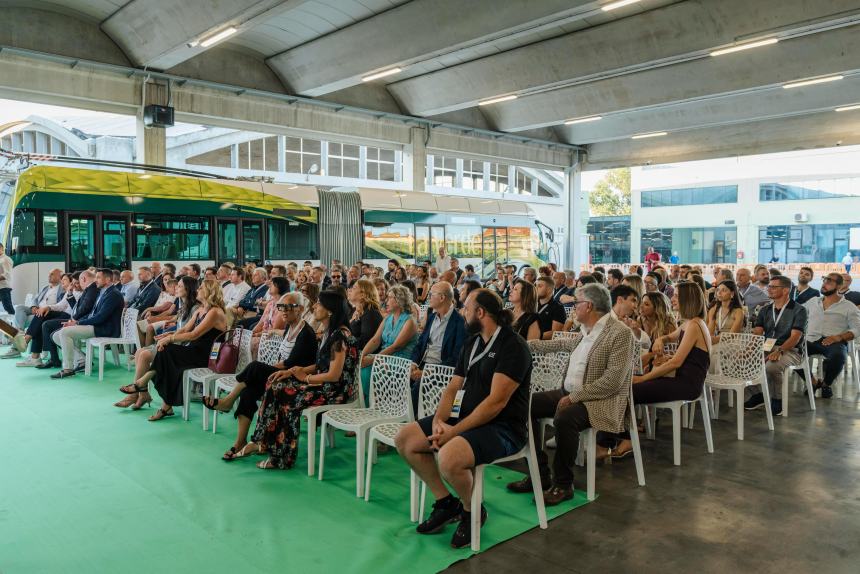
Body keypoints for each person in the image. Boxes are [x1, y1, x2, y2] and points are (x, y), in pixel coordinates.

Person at [395, 289, 532, 547]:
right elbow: (453, 387)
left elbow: (496, 403)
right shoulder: (472, 342)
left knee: (449, 458)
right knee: (406, 439)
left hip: (503, 428)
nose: (462, 312)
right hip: (465, 418)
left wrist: (453, 433)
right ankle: (447, 503)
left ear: (481, 313)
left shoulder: (513, 346)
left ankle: (472, 510)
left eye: (467, 308)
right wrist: (439, 420)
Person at [508, 283, 633, 501]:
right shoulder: (585, 330)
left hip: (599, 400)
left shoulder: (620, 333)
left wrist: (574, 397)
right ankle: (540, 472)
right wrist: (520, 344)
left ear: (589, 305)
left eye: (576, 302)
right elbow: (559, 345)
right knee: (524, 405)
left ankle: (563, 484)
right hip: (570, 393)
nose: (573, 307)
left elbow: (613, 382)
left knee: (565, 417)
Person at [239, 290, 359, 469]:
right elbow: (321, 364)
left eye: (319, 304)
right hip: (324, 384)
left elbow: (334, 375)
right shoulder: (329, 332)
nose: (315, 306)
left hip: (335, 391)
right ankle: (266, 442)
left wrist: (306, 377)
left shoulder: (340, 336)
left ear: (330, 311)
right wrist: (295, 371)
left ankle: (281, 456)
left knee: (284, 394)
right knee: (276, 383)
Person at [203, 292, 318, 459]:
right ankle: (239, 442)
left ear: (300, 309)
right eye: (281, 307)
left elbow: (290, 363)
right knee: (248, 392)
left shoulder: (306, 333)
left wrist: (265, 369)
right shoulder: (288, 327)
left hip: (295, 380)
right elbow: (282, 361)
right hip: (281, 375)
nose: (283, 311)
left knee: (256, 367)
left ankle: (228, 400)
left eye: (288, 307)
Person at [610, 282, 711, 458]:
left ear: (688, 300)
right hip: (679, 379)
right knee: (624, 386)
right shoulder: (689, 323)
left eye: (677, 296)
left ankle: (625, 440)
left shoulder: (695, 325)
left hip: (687, 384)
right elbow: (671, 338)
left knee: (628, 389)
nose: (672, 298)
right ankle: (619, 436)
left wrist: (644, 378)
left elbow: (676, 363)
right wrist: (661, 340)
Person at [128, 280, 228, 421]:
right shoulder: (201, 310)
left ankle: (150, 389)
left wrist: (169, 339)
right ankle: (161, 401)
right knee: (167, 355)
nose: (198, 289)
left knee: (168, 351)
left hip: (207, 356)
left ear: (209, 292)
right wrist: (169, 335)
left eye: (201, 288)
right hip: (194, 350)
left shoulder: (215, 312)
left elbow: (194, 335)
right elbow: (185, 329)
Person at [115, 277, 199, 410]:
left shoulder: (195, 308)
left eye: (180, 286)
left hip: (182, 347)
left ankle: (135, 395)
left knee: (143, 355)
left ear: (188, 289)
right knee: (139, 352)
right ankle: (143, 394)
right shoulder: (183, 305)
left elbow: (192, 333)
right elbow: (180, 326)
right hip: (176, 341)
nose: (176, 287)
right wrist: (169, 333)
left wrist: (171, 336)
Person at [744, 275, 807, 416]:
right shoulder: (765, 310)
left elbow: (795, 337)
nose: (769, 289)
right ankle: (759, 394)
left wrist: (779, 350)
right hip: (766, 346)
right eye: (769, 286)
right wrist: (750, 349)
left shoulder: (799, 310)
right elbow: (758, 333)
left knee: (772, 367)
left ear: (785, 290)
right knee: (742, 362)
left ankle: (776, 399)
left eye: (773, 287)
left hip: (791, 350)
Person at [50, 268, 125, 379]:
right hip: (97, 326)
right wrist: (77, 322)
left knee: (65, 332)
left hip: (104, 329)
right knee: (57, 335)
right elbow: (95, 315)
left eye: (99, 277)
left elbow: (100, 317)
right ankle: (81, 360)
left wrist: (78, 322)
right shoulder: (105, 292)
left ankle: (68, 369)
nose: (96, 280)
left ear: (108, 280)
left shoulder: (113, 294)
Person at [798, 273, 860, 399]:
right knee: (791, 351)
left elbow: (857, 328)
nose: (824, 284)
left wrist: (840, 337)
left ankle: (826, 384)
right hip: (810, 339)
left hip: (834, 341)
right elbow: (798, 312)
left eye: (829, 282)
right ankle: (813, 382)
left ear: (839, 286)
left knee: (838, 356)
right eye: (824, 280)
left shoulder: (849, 306)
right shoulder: (813, 302)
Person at [410, 281, 466, 409]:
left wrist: (426, 372)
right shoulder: (432, 317)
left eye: (431, 294)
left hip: (442, 369)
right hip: (422, 364)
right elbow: (420, 344)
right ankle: (400, 416)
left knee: (419, 385)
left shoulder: (459, 323)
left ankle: (411, 423)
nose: (428, 297)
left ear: (442, 298)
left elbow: (456, 358)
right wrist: (413, 364)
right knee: (400, 377)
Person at [359, 284, 419, 400]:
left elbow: (396, 347)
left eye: (390, 297)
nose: (386, 301)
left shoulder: (409, 321)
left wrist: (373, 359)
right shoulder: (388, 318)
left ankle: (373, 405)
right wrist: (363, 356)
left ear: (399, 300)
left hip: (399, 360)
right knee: (362, 369)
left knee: (369, 372)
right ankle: (367, 404)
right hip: (384, 357)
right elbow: (375, 340)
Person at [14, 273, 72, 367]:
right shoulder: (48, 288)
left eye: (64, 280)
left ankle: (29, 345)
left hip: (67, 316)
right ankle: (33, 354)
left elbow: (61, 306)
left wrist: (47, 307)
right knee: (35, 314)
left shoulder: (68, 291)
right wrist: (39, 307)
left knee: (41, 318)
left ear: (71, 282)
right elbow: (37, 299)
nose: (62, 282)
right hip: (47, 310)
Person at [248, 277, 289, 357]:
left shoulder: (283, 306)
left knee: (251, 343)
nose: (269, 286)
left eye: (272, 284)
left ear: (279, 287)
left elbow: (275, 329)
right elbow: (260, 323)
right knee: (243, 340)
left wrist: (256, 335)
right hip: (263, 335)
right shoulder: (271, 303)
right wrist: (251, 333)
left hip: (273, 339)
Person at [638, 291, 676, 372]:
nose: (641, 306)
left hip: (663, 365)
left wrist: (650, 358)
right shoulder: (640, 320)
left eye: (646, 304)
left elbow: (671, 353)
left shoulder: (668, 325)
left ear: (657, 308)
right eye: (642, 303)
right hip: (642, 363)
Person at [347, 279, 384, 352]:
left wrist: (345, 338)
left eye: (354, 288)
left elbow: (365, 342)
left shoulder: (371, 313)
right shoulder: (357, 311)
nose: (350, 290)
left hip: (365, 358)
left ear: (363, 294)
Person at [706, 280, 745, 346]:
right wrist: (711, 340)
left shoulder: (738, 311)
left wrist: (715, 339)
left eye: (723, 290)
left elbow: (732, 335)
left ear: (732, 294)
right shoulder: (714, 309)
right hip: (716, 341)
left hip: (733, 343)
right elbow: (710, 331)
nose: (719, 293)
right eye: (718, 290)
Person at [0, 242, 13, 315]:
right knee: (7, 306)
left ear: (1, 248)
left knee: (7, 306)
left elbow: (6, 274)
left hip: (4, 287)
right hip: (1, 287)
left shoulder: (5, 259)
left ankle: (14, 323)